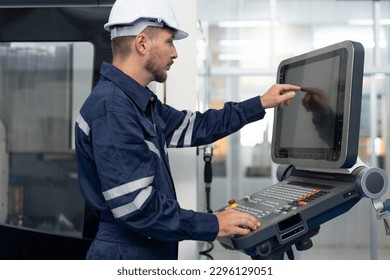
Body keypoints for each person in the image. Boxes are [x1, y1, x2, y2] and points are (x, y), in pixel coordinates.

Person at [75, 0, 300, 260]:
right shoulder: (113, 109)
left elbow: (196, 126)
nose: (175, 53)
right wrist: (214, 224)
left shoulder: (137, 103)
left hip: (144, 248)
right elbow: (137, 207)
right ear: (142, 44)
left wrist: (260, 103)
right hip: (127, 253)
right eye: (169, 41)